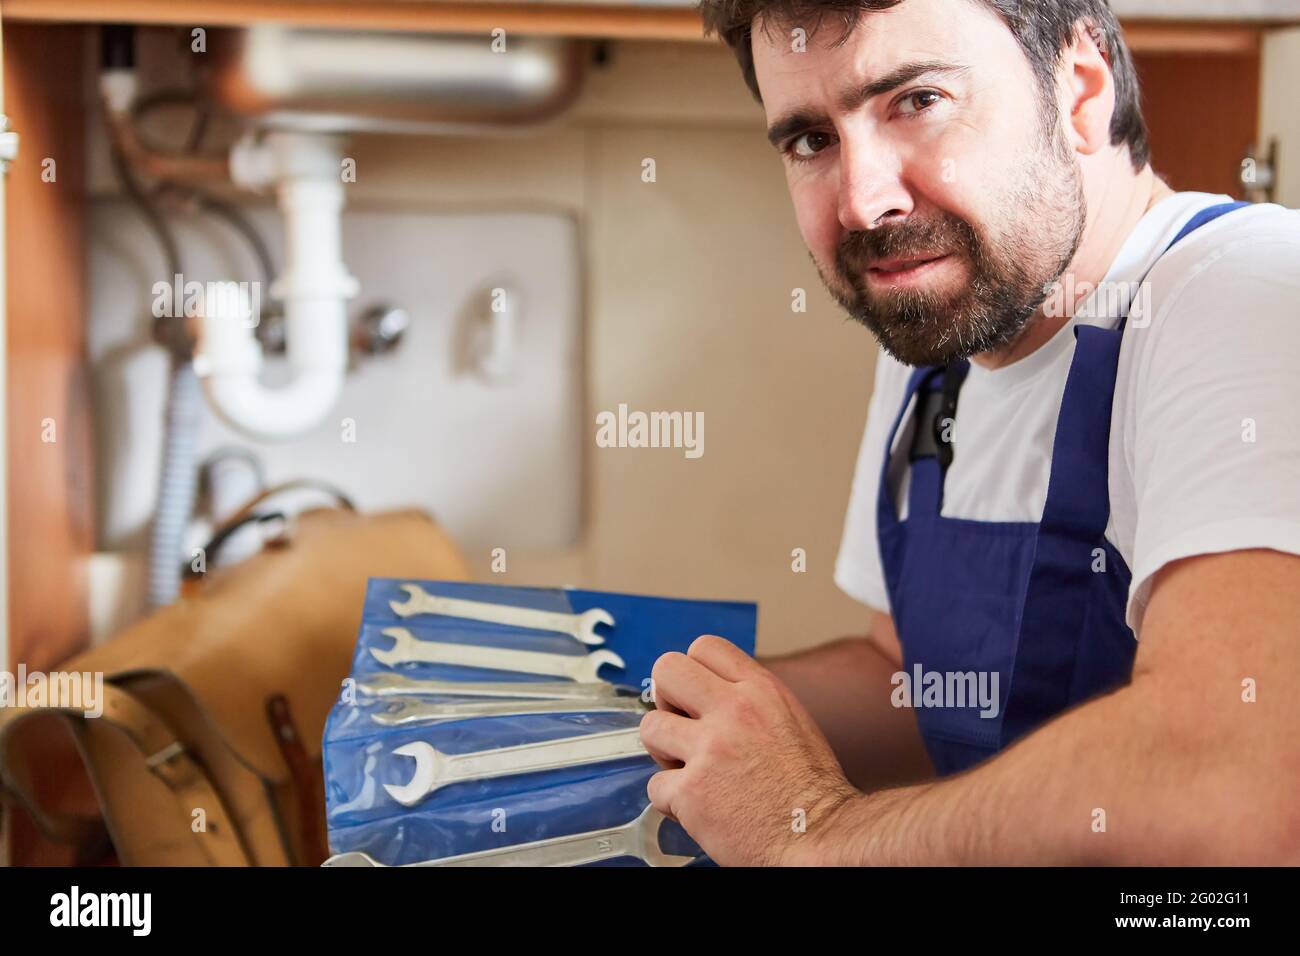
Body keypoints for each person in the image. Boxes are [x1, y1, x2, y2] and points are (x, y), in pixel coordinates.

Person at [639, 0, 1300, 865]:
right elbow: (914, 682)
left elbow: (1241, 791)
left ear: (1080, 88)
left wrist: (818, 835)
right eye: (811, 140)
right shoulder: (940, 342)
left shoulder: (1249, 293)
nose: (864, 201)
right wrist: (663, 722)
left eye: (916, 101)